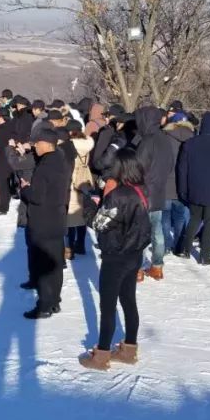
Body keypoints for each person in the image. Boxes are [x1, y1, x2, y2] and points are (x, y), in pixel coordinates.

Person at [78, 149, 151, 370]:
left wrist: (87, 201)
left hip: (116, 256)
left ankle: (101, 354)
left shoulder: (119, 195)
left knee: (108, 305)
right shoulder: (141, 189)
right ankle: (129, 349)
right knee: (129, 301)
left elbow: (99, 223)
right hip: (134, 254)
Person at [19, 128, 69, 320]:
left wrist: (26, 190)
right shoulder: (59, 159)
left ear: (47, 144)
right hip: (56, 218)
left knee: (43, 265)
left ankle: (45, 305)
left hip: (43, 221)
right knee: (55, 264)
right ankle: (54, 301)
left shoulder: (46, 167)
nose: (35, 146)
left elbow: (37, 197)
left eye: (37, 143)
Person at [176, 111, 210, 266]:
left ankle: (184, 248)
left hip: (193, 188)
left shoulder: (189, 143)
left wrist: (183, 189)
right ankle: (204, 256)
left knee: (194, 218)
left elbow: (182, 169)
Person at [133, 106, 172, 280]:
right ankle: (157, 266)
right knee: (156, 230)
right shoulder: (165, 139)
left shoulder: (146, 141)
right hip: (159, 190)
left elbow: (138, 167)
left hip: (143, 191)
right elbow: (170, 165)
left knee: (139, 232)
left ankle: (138, 269)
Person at [163, 111, 196, 254]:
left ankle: (164, 245)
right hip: (184, 183)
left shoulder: (165, 137)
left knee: (164, 216)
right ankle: (179, 245)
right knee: (181, 216)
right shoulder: (193, 138)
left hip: (165, 181)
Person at [65, 121, 95, 258]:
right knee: (81, 216)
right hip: (84, 180)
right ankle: (81, 244)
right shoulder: (88, 144)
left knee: (71, 216)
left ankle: (69, 247)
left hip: (73, 180)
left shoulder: (70, 146)